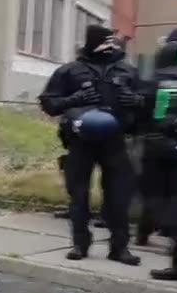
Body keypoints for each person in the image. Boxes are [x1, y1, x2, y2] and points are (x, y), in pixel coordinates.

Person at [39, 25, 142, 265]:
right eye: (105, 42)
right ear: (93, 42)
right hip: (80, 142)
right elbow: (49, 103)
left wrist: (136, 100)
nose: (110, 46)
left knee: (119, 196)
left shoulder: (128, 71)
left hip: (115, 142)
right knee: (79, 195)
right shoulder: (70, 71)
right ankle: (80, 244)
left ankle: (119, 247)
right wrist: (75, 99)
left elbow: (147, 104)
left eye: (112, 42)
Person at [144, 28, 177, 280]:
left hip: (164, 145)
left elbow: (151, 109)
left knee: (172, 204)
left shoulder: (160, 74)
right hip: (175, 145)